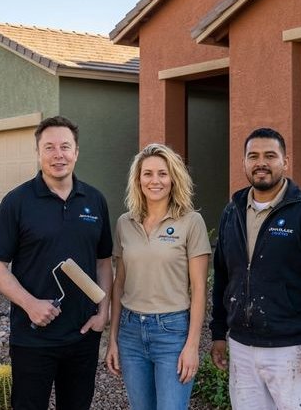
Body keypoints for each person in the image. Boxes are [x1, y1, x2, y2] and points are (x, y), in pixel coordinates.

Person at [209, 127, 301, 410]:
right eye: (253, 156)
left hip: (292, 349)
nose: (261, 163)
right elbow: (223, 276)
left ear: (285, 161)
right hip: (242, 348)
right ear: (244, 162)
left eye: (270, 155)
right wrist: (219, 333)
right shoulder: (232, 212)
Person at [0, 115, 113, 410]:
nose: (59, 155)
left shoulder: (94, 200)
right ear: (38, 153)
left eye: (65, 147)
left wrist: (102, 313)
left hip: (82, 336)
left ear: (77, 152)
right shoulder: (16, 202)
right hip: (33, 339)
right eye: (50, 147)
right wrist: (30, 304)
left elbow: (104, 262)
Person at [105, 143, 211, 409]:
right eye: (148, 174)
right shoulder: (124, 223)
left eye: (162, 174)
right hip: (130, 332)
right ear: (138, 180)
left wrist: (192, 346)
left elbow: (199, 288)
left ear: (173, 178)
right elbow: (119, 285)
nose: (155, 181)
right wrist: (113, 340)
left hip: (172, 332)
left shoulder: (190, 222)